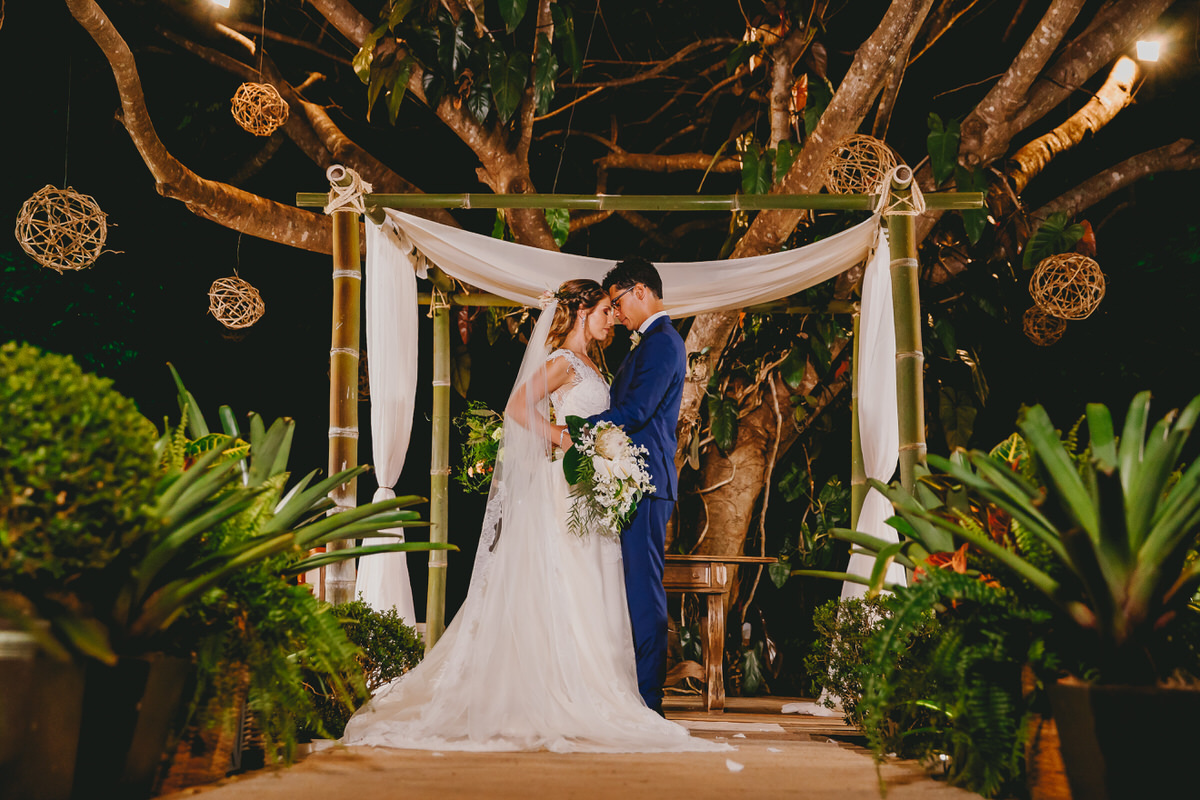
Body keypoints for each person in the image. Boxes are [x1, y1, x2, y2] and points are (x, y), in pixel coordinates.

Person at [342, 279, 724, 753]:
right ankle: (555, 690)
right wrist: (563, 439)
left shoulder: (592, 364)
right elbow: (517, 407)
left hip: (589, 491)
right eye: (605, 310)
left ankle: (591, 686)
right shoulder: (563, 362)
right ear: (583, 312)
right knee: (562, 584)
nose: (611, 318)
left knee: (592, 589)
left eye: (613, 309)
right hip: (561, 491)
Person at [562, 258, 684, 715]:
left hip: (645, 484)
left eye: (616, 302)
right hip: (630, 482)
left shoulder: (661, 343)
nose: (615, 313)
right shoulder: (651, 343)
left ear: (639, 291)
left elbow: (634, 412)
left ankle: (650, 703)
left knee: (643, 591)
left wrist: (577, 430)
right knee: (628, 590)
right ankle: (630, 694)